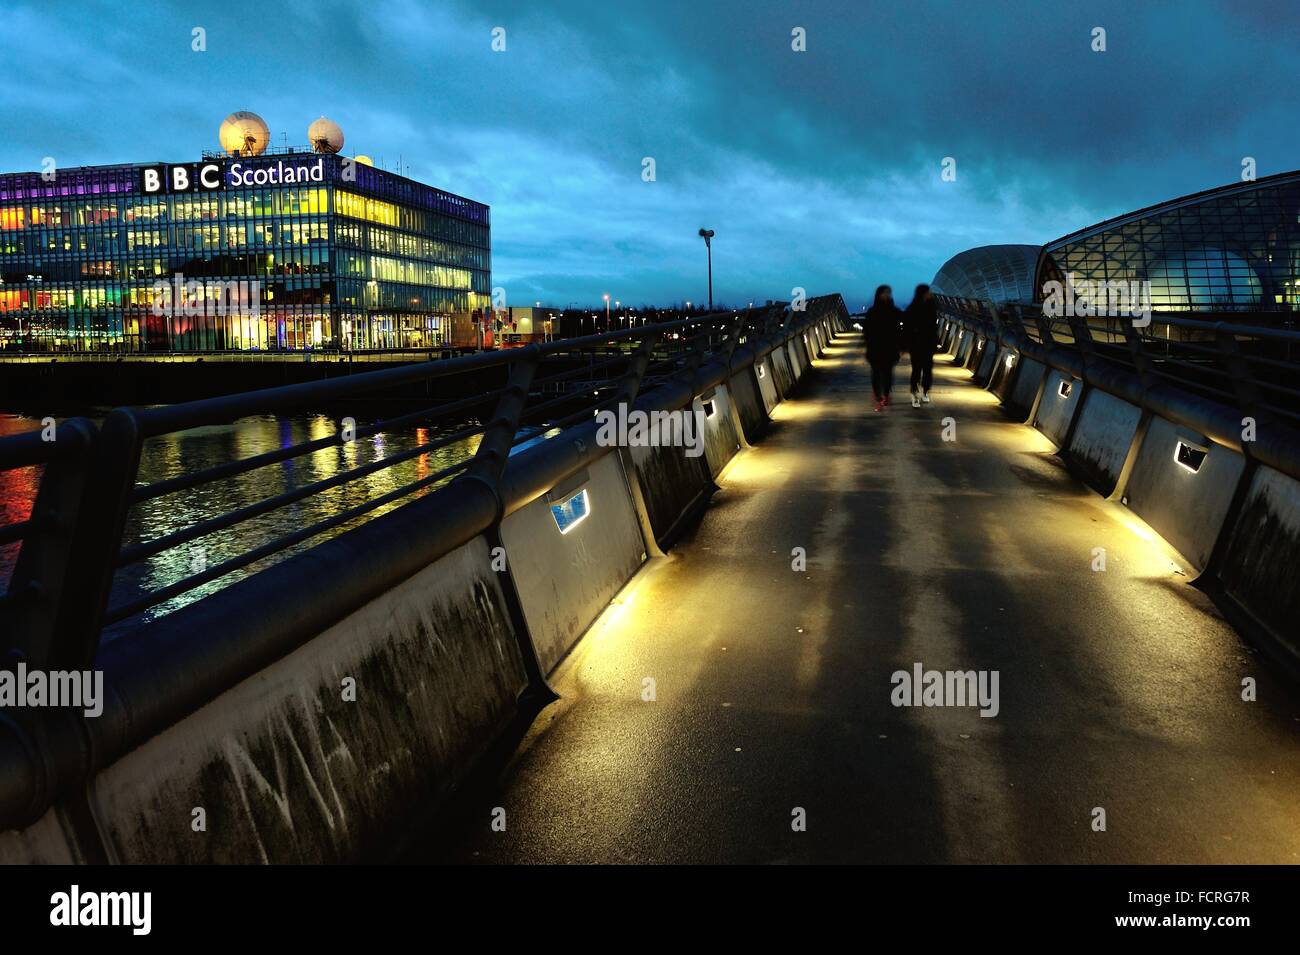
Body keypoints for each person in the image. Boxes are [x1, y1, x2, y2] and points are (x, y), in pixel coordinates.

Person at [863, 285, 902, 412]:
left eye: (888, 293)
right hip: (875, 348)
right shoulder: (872, 311)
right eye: (884, 293)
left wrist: (902, 346)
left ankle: (885, 394)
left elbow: (900, 330)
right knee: (876, 374)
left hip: (889, 348)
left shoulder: (895, 311)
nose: (887, 295)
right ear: (879, 295)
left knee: (887, 374)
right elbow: (866, 331)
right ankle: (879, 399)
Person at [903, 284, 938, 407]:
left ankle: (925, 392)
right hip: (916, 344)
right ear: (923, 293)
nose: (931, 294)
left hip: (928, 344)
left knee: (927, 370)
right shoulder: (913, 309)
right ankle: (914, 394)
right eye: (929, 292)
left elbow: (934, 327)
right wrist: (905, 345)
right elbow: (907, 328)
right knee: (917, 370)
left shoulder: (932, 307)